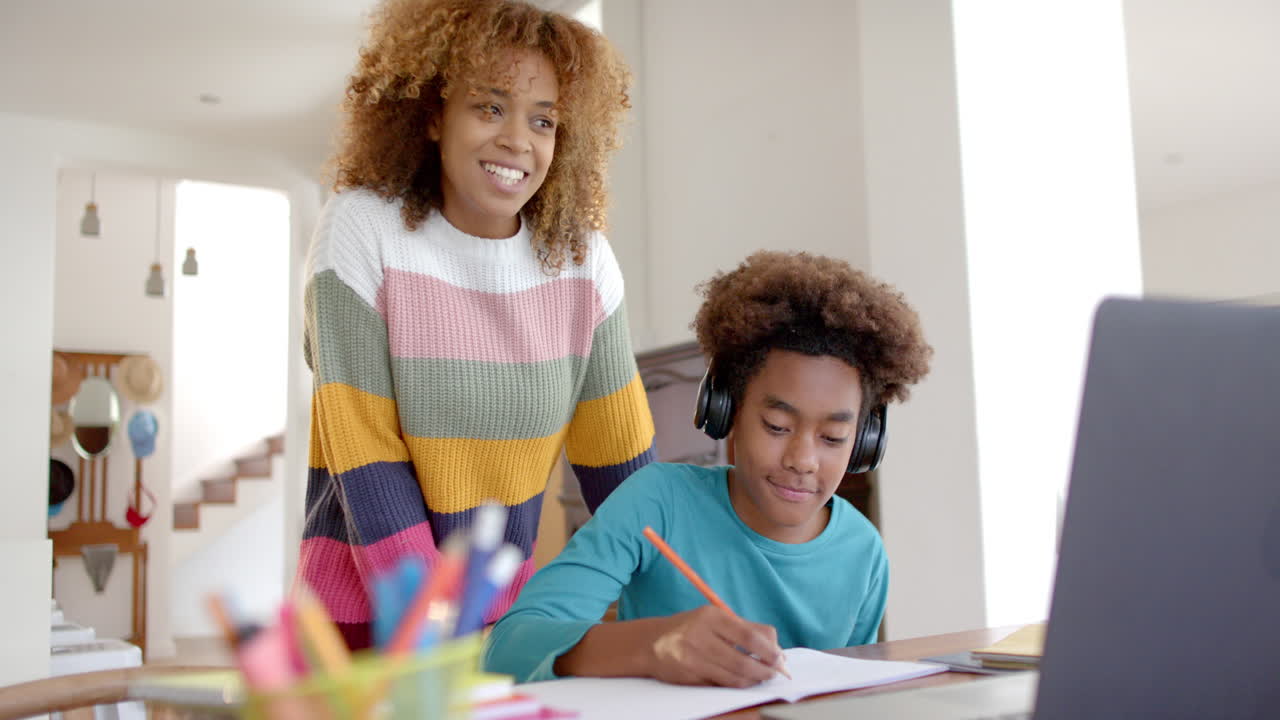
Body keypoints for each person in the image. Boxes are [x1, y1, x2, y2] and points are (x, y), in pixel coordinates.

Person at [299, 0, 656, 650]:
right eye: (490, 107)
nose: (518, 140)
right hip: (365, 632)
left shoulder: (582, 262)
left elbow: (622, 474)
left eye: (542, 119)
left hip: (502, 628)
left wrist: (687, 601)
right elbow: (369, 461)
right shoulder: (362, 229)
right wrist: (438, 629)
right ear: (434, 113)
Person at [483, 250, 933, 686]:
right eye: (777, 425)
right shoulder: (658, 501)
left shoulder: (864, 553)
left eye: (833, 438)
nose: (802, 460)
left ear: (866, 440)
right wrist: (653, 645)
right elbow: (507, 649)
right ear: (726, 411)